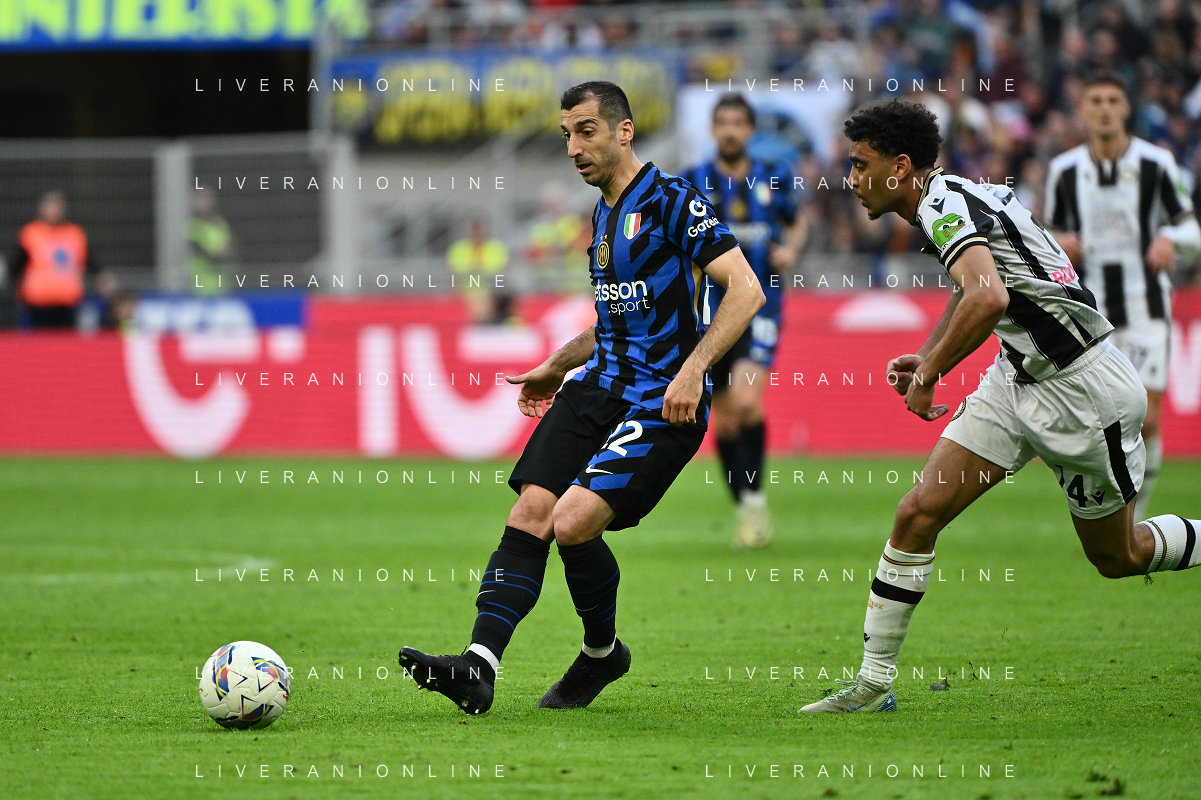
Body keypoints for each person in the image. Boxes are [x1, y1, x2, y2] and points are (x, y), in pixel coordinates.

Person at [802, 99, 1199, 714]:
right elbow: (975, 291)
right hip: (1016, 378)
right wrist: (928, 352)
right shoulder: (951, 196)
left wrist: (930, 373)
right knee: (917, 513)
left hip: (1082, 391)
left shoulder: (942, 204)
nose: (850, 178)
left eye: (861, 165)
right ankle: (873, 685)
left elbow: (988, 298)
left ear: (900, 167)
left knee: (1119, 557)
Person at [399, 80, 764, 714]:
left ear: (624, 131)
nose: (573, 147)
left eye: (586, 131)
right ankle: (478, 667)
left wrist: (694, 370)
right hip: (597, 387)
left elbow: (747, 289)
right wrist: (555, 364)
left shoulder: (674, 201)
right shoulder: (601, 216)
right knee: (530, 511)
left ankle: (601, 654)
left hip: (662, 401)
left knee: (570, 523)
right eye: (567, 134)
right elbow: (615, 321)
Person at [1045, 70, 1200, 521]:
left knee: (1147, 420)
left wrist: (1170, 239)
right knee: (1100, 423)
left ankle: (1133, 521)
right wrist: (1060, 244)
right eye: (1096, 100)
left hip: (1146, 305)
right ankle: (1109, 514)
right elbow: (1045, 238)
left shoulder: (1157, 164)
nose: (1105, 108)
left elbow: (1192, 230)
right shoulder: (1064, 171)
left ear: (1126, 107)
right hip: (1091, 311)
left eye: (1113, 99)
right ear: (1082, 109)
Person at [681, 93, 807, 550]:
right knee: (726, 422)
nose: (731, 130)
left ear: (751, 130)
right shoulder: (692, 182)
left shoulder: (774, 176)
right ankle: (746, 507)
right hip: (710, 314)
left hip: (761, 306)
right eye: (723, 122)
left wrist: (790, 250)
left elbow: (797, 220)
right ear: (713, 130)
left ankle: (753, 504)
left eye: (738, 122)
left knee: (747, 402)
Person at [9, 191, 109, 329]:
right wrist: (18, 293)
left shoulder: (75, 233)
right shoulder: (30, 233)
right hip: (38, 302)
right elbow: (15, 266)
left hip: (68, 302)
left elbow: (91, 262)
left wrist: (104, 283)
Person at [447, 217, 509, 323]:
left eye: (479, 229)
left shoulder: (495, 248)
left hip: (491, 292)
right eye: (474, 229)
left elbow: (499, 271)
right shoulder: (459, 249)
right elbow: (455, 271)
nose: (476, 233)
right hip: (464, 292)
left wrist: (475, 268)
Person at [188, 188, 235, 295]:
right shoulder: (191, 226)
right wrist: (220, 254)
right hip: (198, 287)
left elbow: (231, 247)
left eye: (205, 199)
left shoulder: (220, 224)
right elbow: (202, 252)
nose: (201, 203)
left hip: (222, 286)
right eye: (198, 199)